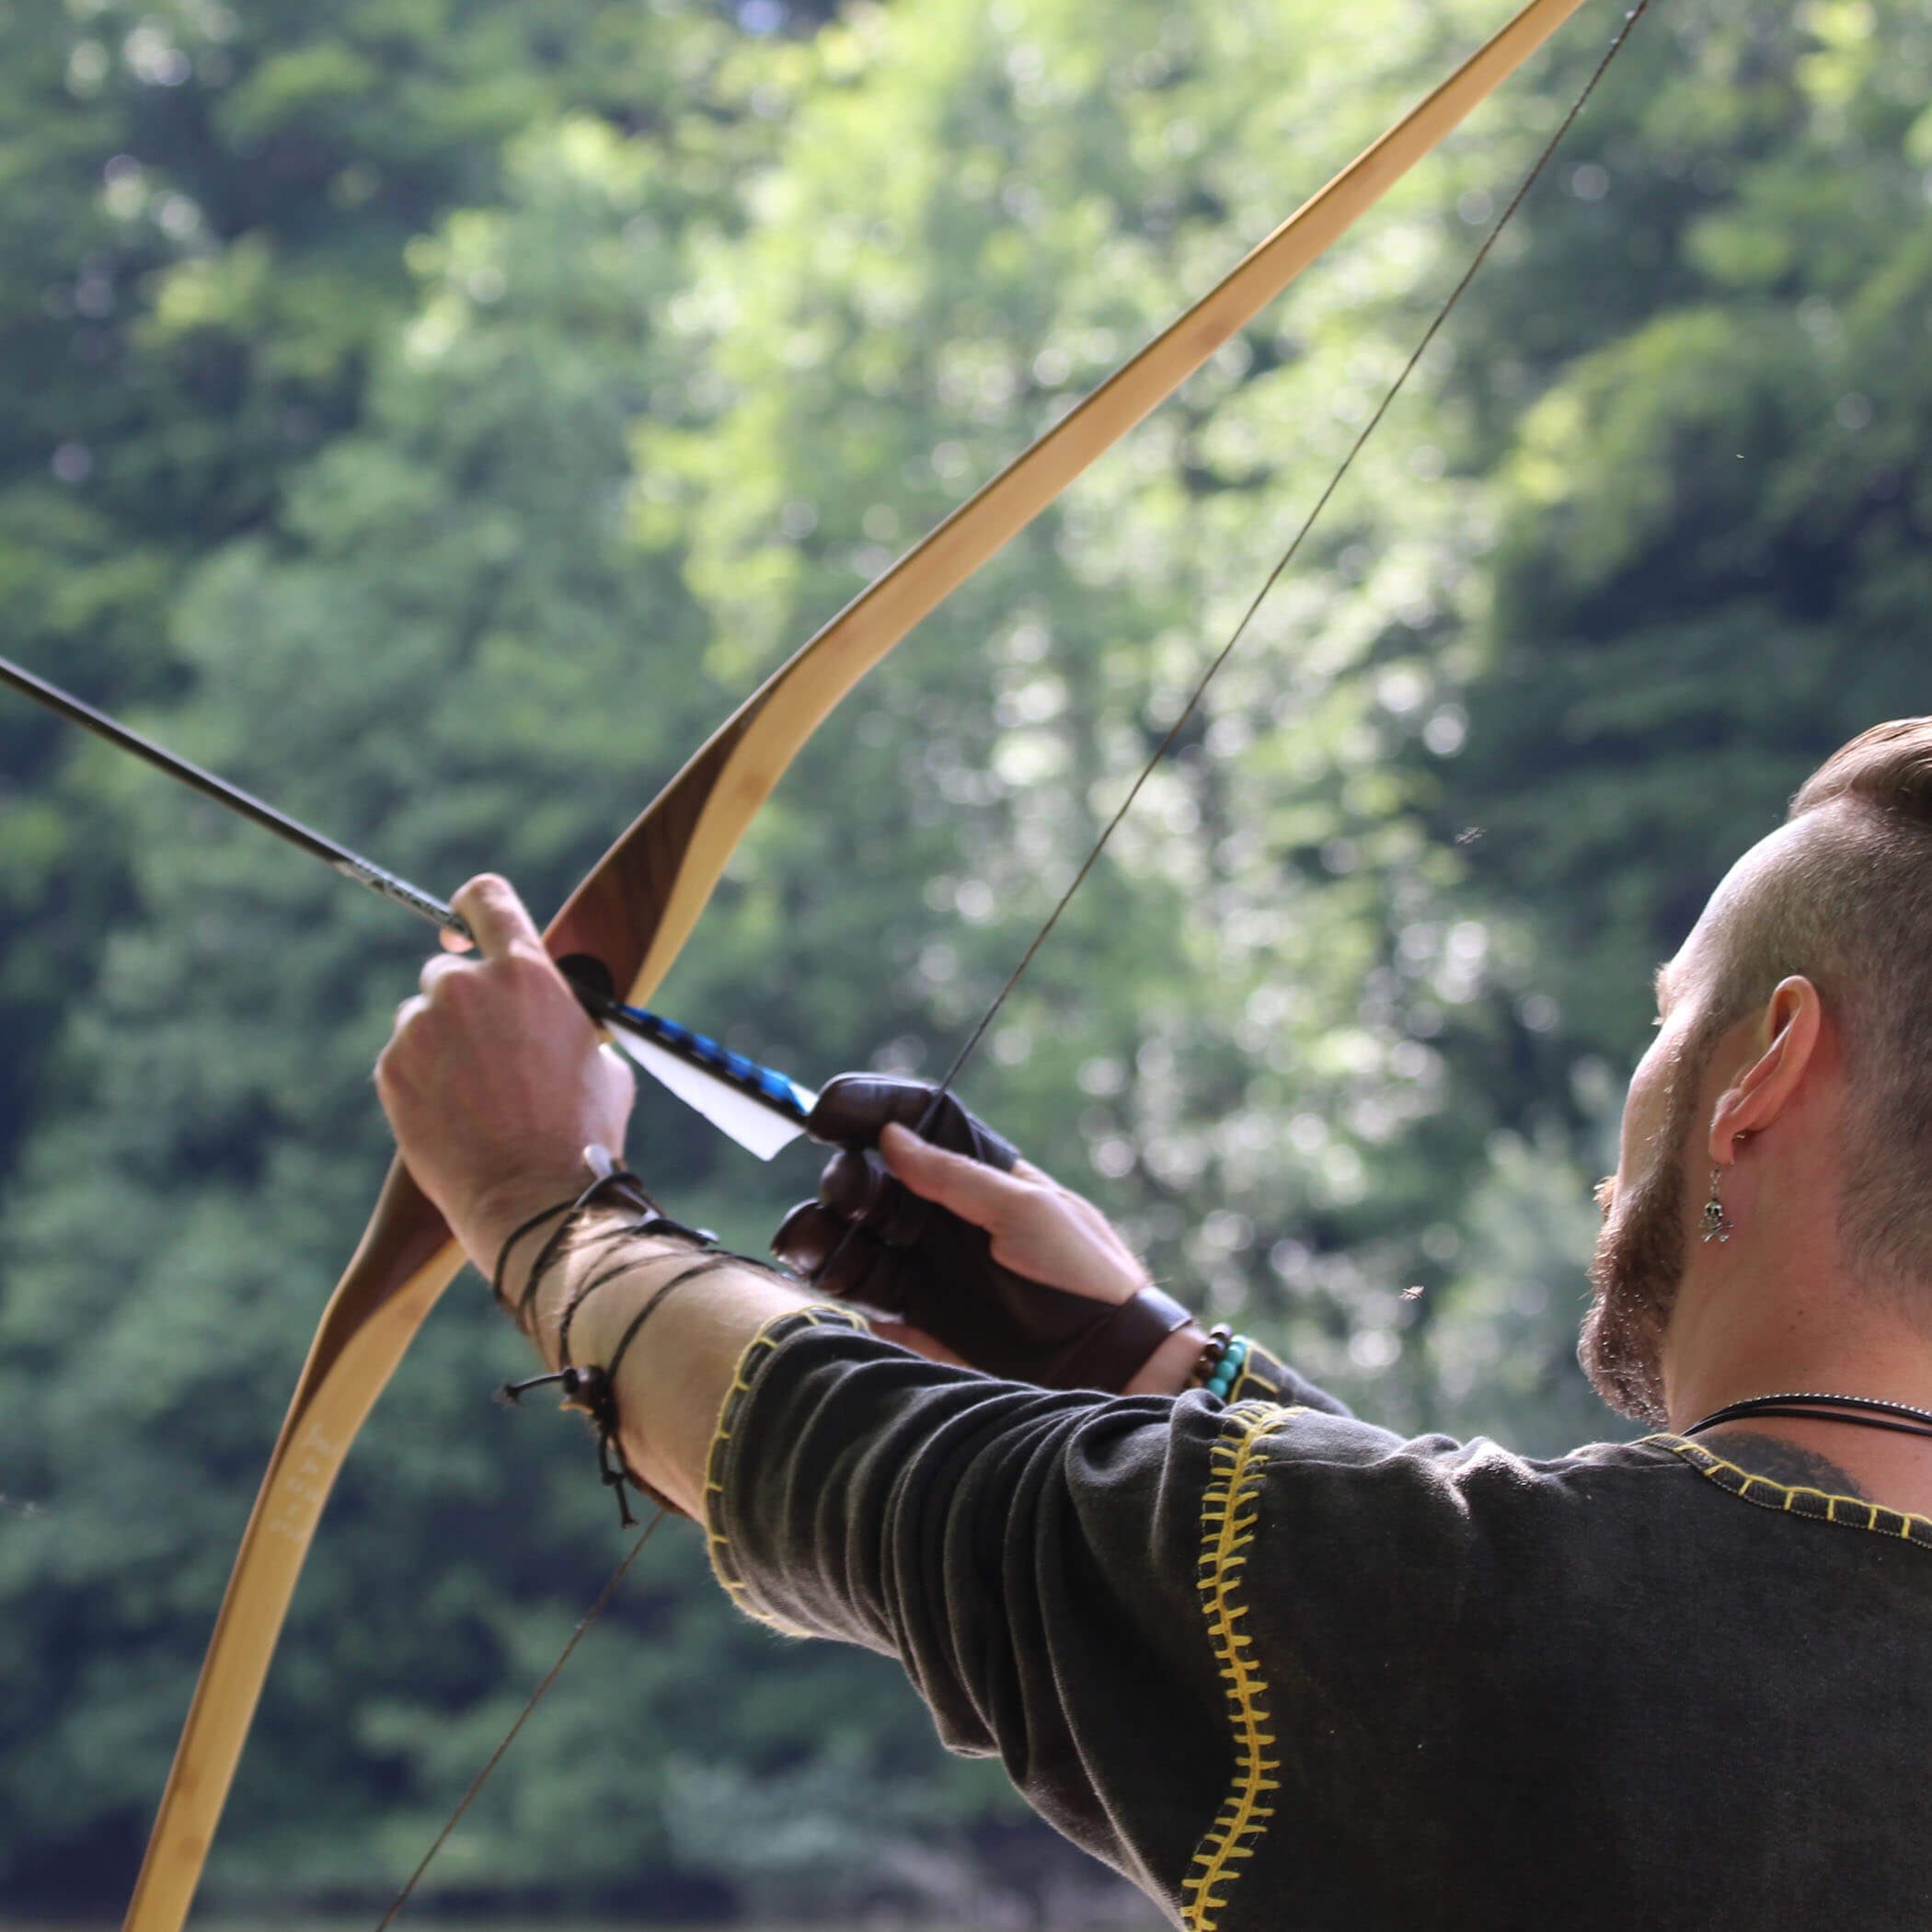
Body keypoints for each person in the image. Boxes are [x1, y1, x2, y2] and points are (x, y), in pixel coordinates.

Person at [376, 719, 1932, 1931]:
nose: (1640, 1081)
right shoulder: (1556, 1641)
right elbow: (1470, 1654)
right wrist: (1140, 1361)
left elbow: (856, 1466)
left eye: (1671, 1018)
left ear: (1763, 1075)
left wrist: (538, 1196)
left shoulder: (1510, 1637)